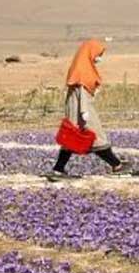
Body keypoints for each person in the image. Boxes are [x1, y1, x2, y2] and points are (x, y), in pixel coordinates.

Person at [49, 39, 129, 179]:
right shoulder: (82, 69)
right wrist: (84, 110)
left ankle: (58, 168)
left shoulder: (83, 66)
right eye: (99, 54)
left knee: (72, 139)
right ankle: (116, 164)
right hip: (82, 109)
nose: (99, 58)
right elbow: (82, 91)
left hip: (78, 108)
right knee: (96, 137)